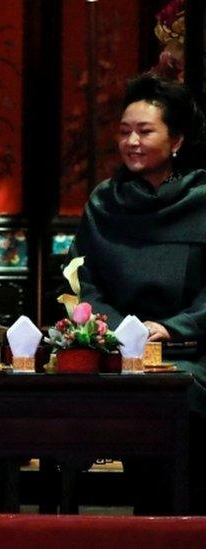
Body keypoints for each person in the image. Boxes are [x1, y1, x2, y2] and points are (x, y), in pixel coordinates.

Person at [71, 74, 206, 513]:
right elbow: (85, 284)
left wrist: (170, 329)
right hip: (121, 353)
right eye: (125, 131)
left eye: (145, 131)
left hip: (192, 349)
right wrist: (121, 332)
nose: (131, 141)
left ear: (177, 140)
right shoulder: (103, 203)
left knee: (179, 400)